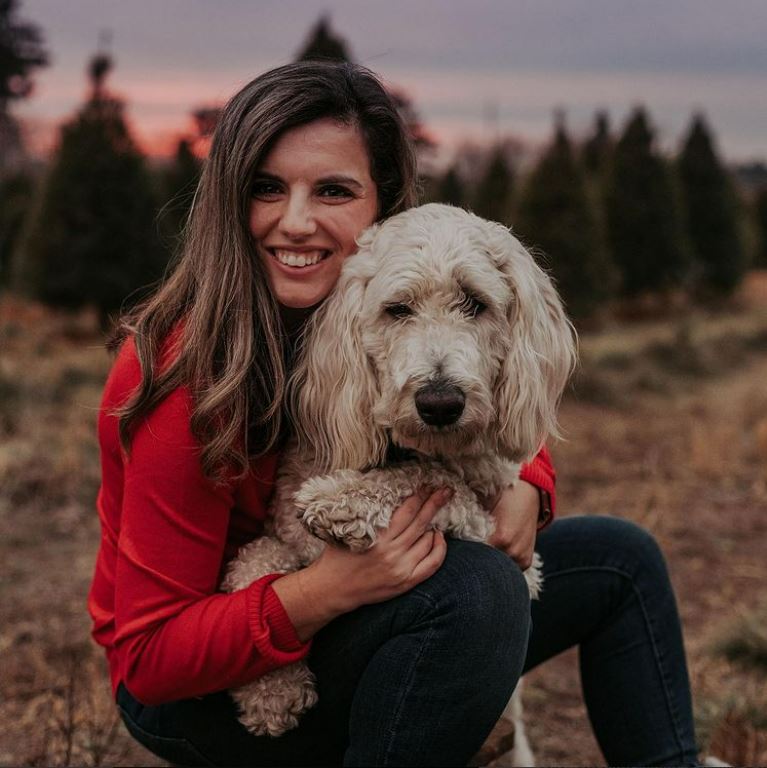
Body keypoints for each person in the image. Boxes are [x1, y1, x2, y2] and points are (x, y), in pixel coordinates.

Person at [88, 61, 701, 767]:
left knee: (621, 560)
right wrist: (323, 591)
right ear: (228, 200)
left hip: (364, 609)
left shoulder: (390, 284)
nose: (295, 221)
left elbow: (474, 374)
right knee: (478, 593)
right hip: (203, 690)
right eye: (265, 188)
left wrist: (530, 477)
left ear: (383, 211)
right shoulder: (182, 372)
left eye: (333, 191)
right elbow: (150, 658)